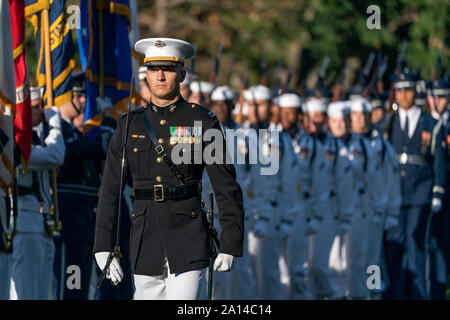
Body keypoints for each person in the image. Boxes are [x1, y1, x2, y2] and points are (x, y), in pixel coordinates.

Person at [94, 37, 245, 300]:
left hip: (188, 236)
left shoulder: (202, 121)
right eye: (153, 69)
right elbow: (110, 190)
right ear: (146, 76)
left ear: (182, 74)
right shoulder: (130, 125)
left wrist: (230, 241)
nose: (160, 76)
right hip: (144, 238)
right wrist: (103, 245)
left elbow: (226, 185)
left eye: (168, 69)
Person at [384, 70, 446, 299]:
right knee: (395, 247)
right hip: (394, 194)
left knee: (415, 246)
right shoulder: (387, 122)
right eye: (399, 90)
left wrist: (438, 191)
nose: (403, 95)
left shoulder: (430, 123)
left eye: (407, 89)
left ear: (415, 92)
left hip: (420, 193)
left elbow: (437, 159)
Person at [54, 80, 117, 300]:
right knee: (71, 284)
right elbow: (98, 149)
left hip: (82, 220)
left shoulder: (72, 130)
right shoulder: (59, 129)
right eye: (78, 95)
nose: (83, 100)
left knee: (80, 285)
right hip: (70, 219)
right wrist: (108, 121)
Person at [12, 87, 65, 299]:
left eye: (41, 107)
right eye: (33, 108)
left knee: (44, 294)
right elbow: (55, 155)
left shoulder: (34, 138)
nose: (40, 113)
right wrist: (55, 123)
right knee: (26, 293)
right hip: (25, 223)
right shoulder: (16, 144)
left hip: (43, 223)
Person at [303, 98, 353, 299]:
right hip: (301, 209)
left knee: (319, 264)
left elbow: (343, 182)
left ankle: (333, 294)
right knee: (301, 266)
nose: (315, 121)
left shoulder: (335, 147)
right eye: (311, 116)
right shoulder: (299, 142)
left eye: (319, 116)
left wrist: (345, 214)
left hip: (326, 211)